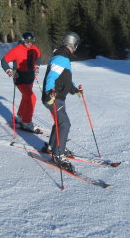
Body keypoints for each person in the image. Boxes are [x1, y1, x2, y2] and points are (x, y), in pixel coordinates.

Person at [40, 31, 82, 172]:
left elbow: (65, 78)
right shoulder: (61, 58)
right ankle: (58, 155)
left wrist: (74, 89)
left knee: (60, 122)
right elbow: (52, 77)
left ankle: (54, 146)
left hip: (58, 97)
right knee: (65, 123)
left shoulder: (63, 57)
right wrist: (49, 92)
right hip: (54, 98)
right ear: (74, 44)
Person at [1, 31, 42, 132]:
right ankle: (27, 122)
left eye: (31, 42)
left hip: (30, 78)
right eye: (27, 42)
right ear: (23, 41)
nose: (29, 44)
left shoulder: (34, 48)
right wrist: (10, 71)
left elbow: (39, 55)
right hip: (20, 79)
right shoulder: (16, 50)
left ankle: (20, 117)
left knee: (26, 97)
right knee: (32, 98)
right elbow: (4, 61)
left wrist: (37, 65)